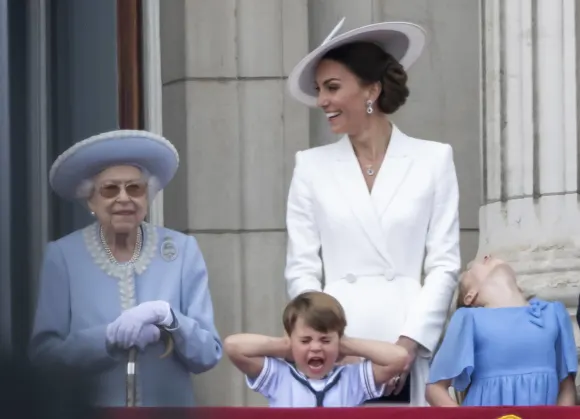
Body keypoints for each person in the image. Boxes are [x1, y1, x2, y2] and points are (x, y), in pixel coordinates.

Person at [284, 18, 460, 406]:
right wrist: (329, 341)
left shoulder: (433, 159)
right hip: (336, 348)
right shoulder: (310, 166)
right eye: (319, 90)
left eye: (332, 88)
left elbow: (444, 265)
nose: (322, 101)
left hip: (407, 338)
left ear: (372, 90)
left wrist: (406, 346)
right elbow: (301, 269)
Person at [28, 130, 223, 407]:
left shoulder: (182, 251)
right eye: (110, 189)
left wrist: (171, 320)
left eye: (135, 188)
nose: (123, 198)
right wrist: (106, 338)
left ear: (148, 197)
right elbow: (45, 357)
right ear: (91, 200)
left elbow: (208, 355)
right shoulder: (63, 256)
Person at [426, 256, 578, 406]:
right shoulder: (469, 319)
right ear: (470, 296)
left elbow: (567, 388)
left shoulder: (553, 313)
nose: (486, 256)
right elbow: (435, 388)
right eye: (471, 268)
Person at [224, 291, 409, 407]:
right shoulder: (277, 377)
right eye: (305, 340)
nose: (315, 347)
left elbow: (399, 357)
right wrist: (286, 347)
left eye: (325, 340)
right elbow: (233, 346)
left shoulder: (352, 380)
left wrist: (345, 345)